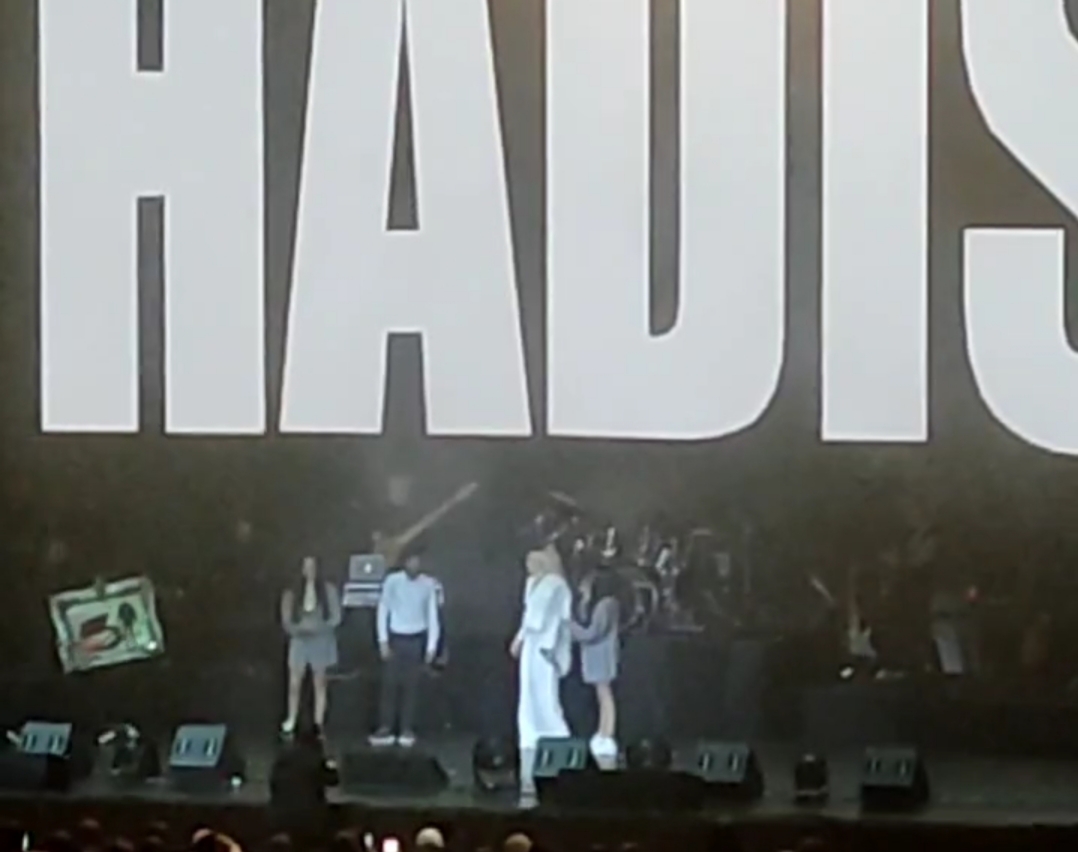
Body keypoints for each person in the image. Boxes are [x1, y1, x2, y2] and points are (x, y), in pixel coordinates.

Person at [370, 545, 441, 747]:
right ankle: (386, 728)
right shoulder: (393, 581)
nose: (414, 564)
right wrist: (383, 640)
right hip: (395, 638)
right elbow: (383, 610)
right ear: (404, 562)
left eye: (417, 561)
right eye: (411, 561)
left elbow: (432, 615)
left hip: (416, 639)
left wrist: (431, 646)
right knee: (389, 685)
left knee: (411, 687)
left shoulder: (428, 584)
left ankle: (406, 728)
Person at [511, 545, 572, 761]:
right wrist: (521, 638)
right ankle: (530, 735)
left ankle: (556, 734)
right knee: (529, 691)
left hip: (547, 643)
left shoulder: (555, 584)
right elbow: (528, 615)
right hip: (532, 644)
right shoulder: (532, 583)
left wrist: (520, 638)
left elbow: (538, 618)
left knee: (545, 692)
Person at [280, 556, 342, 736]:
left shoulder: (328, 590)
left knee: (320, 684)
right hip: (300, 641)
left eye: (312, 566)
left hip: (321, 641)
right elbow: (286, 620)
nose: (310, 570)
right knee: (294, 683)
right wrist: (298, 630)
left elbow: (336, 617)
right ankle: (291, 718)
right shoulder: (291, 592)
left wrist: (320, 629)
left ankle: (318, 722)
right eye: (306, 567)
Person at [571, 568, 621, 758]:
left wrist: (569, 626)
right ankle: (603, 731)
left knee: (604, 695)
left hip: (601, 656)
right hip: (598, 656)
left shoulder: (605, 605)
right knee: (602, 695)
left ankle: (606, 733)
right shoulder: (605, 604)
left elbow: (592, 633)